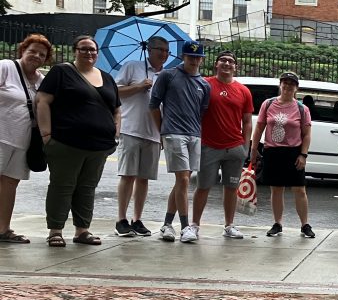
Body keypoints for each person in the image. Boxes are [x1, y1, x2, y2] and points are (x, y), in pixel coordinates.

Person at [35, 35, 120, 247]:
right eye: (84, 49)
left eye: (92, 49)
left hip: (99, 146)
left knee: (87, 187)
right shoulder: (61, 72)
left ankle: (82, 230)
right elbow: (42, 101)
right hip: (66, 142)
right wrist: (46, 134)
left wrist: (115, 135)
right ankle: (55, 230)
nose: (89, 53)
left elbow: (117, 109)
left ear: (97, 53)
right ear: (75, 51)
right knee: (62, 186)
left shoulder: (107, 78)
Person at [149, 40, 211, 243]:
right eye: (190, 56)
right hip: (173, 132)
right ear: (183, 57)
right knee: (184, 179)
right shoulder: (169, 75)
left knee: (181, 181)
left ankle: (167, 224)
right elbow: (153, 105)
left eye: (197, 57)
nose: (194, 60)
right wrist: (162, 131)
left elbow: (201, 110)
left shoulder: (204, 84)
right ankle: (185, 227)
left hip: (194, 134)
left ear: (201, 59)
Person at [194, 50, 253, 239]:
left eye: (231, 61)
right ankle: (194, 225)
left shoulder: (244, 91)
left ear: (236, 67)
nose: (227, 64)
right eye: (223, 60)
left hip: (234, 147)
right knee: (203, 186)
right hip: (208, 146)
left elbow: (247, 121)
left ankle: (229, 226)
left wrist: (245, 147)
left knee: (231, 188)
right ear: (216, 64)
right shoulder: (205, 84)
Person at [114, 36, 169, 237]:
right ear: (149, 50)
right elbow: (116, 92)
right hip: (131, 129)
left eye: (166, 51)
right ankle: (121, 219)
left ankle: (137, 219)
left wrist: (163, 132)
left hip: (153, 132)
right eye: (159, 50)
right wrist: (139, 86)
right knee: (127, 175)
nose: (163, 54)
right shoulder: (132, 67)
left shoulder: (166, 75)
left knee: (144, 178)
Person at [0, 33, 51, 244]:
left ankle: (3, 229)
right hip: (1, 136)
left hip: (23, 141)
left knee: (11, 184)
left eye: (42, 54)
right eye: (32, 51)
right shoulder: (5, 67)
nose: (36, 56)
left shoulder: (42, 80)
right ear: (22, 51)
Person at [249, 72, 314, 238]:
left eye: (291, 84)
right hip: (272, 151)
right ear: (280, 85)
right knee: (276, 190)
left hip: (293, 152)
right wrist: (254, 149)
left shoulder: (302, 109)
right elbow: (259, 128)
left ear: (296, 88)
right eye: (285, 83)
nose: (287, 86)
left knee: (299, 189)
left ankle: (305, 225)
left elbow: (306, 134)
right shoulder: (268, 104)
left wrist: (303, 155)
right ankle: (277, 223)